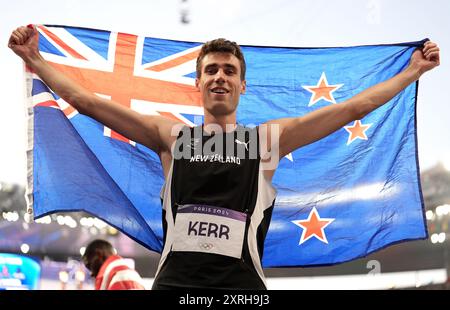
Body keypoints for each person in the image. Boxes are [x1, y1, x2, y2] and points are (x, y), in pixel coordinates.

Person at [8, 25, 440, 290]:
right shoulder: (170, 136)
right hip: (174, 286)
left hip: (242, 288)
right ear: (198, 83)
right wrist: (35, 59)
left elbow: (350, 109)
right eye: (211, 70)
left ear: (241, 86)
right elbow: (85, 100)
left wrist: (412, 71)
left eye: (229, 70)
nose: (220, 76)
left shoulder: (268, 139)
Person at [81, 239, 145, 290]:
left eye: (89, 265)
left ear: (99, 255)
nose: (91, 274)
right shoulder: (122, 272)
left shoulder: (120, 275)